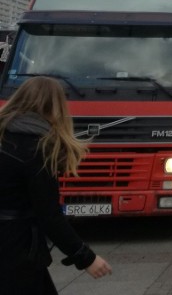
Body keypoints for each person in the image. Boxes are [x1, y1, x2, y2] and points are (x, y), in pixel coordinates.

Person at [0, 76, 112, 294]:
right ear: (56, 108)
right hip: (16, 251)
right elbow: (50, 216)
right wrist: (86, 258)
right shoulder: (38, 149)